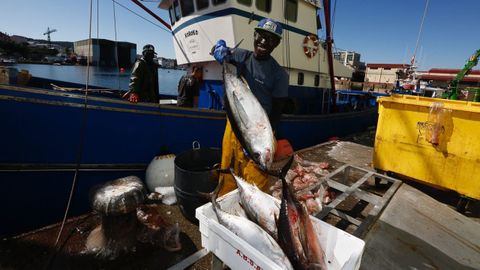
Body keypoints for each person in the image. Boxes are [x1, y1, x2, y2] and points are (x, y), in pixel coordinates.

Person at [212, 18, 289, 196]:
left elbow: (276, 114)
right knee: (228, 172)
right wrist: (218, 48)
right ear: (254, 35)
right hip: (234, 126)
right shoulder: (241, 55)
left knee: (256, 183)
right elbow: (216, 52)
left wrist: (259, 140)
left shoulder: (279, 75)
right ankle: (226, 204)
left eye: (270, 39)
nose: (263, 41)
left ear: (276, 44)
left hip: (260, 131)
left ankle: (252, 214)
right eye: (261, 35)